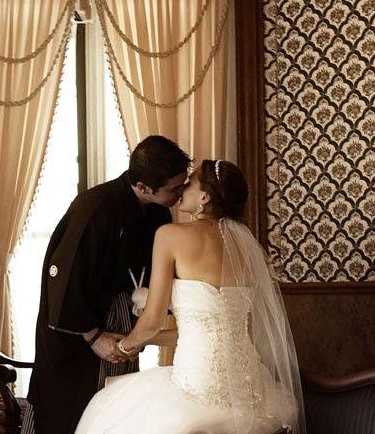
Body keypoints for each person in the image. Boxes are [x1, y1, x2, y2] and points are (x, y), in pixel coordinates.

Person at [75, 160, 307, 434]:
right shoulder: (246, 247)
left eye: (191, 182)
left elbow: (152, 320)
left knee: (107, 410)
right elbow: (218, 328)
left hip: (197, 383)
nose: (183, 187)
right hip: (250, 386)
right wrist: (143, 343)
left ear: (205, 197)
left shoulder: (169, 235)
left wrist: (124, 348)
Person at [26, 135, 190, 434]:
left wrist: (139, 326)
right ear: (143, 187)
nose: (181, 193)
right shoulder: (94, 209)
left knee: (119, 412)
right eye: (174, 188)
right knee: (72, 415)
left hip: (121, 324)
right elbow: (65, 280)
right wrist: (94, 337)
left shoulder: (158, 213)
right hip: (78, 332)